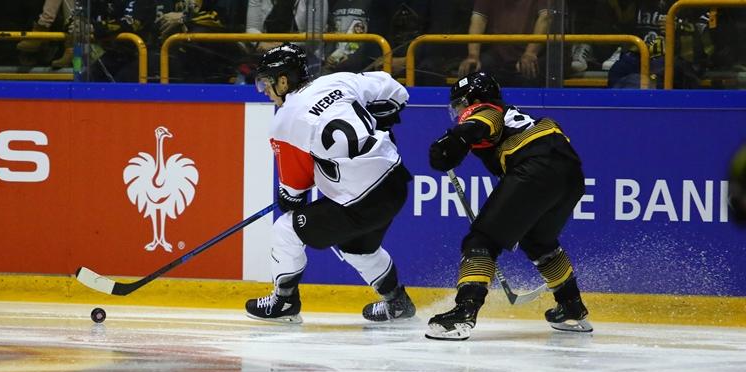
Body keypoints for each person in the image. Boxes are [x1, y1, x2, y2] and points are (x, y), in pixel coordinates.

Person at [245, 43, 416, 324]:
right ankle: (397, 303)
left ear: (283, 81)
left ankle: (284, 302)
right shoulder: (337, 81)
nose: (264, 90)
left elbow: (294, 193)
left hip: (359, 201)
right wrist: (381, 124)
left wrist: (287, 198)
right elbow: (395, 92)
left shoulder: (284, 121)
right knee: (358, 248)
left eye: (266, 82)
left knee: (286, 230)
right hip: (395, 182)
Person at [426, 71, 591, 341]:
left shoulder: (488, 109)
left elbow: (480, 122)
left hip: (536, 168)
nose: (458, 112)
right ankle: (571, 306)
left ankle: (464, 312)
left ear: (474, 99)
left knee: (481, 241)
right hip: (571, 176)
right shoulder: (515, 116)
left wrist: (455, 139)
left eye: (460, 104)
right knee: (539, 242)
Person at [456, 0, 553, 87]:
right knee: (476, 69)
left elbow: (546, 17)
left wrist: (530, 53)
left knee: (531, 70)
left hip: (531, 54)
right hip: (497, 54)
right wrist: (473, 55)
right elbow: (479, 19)